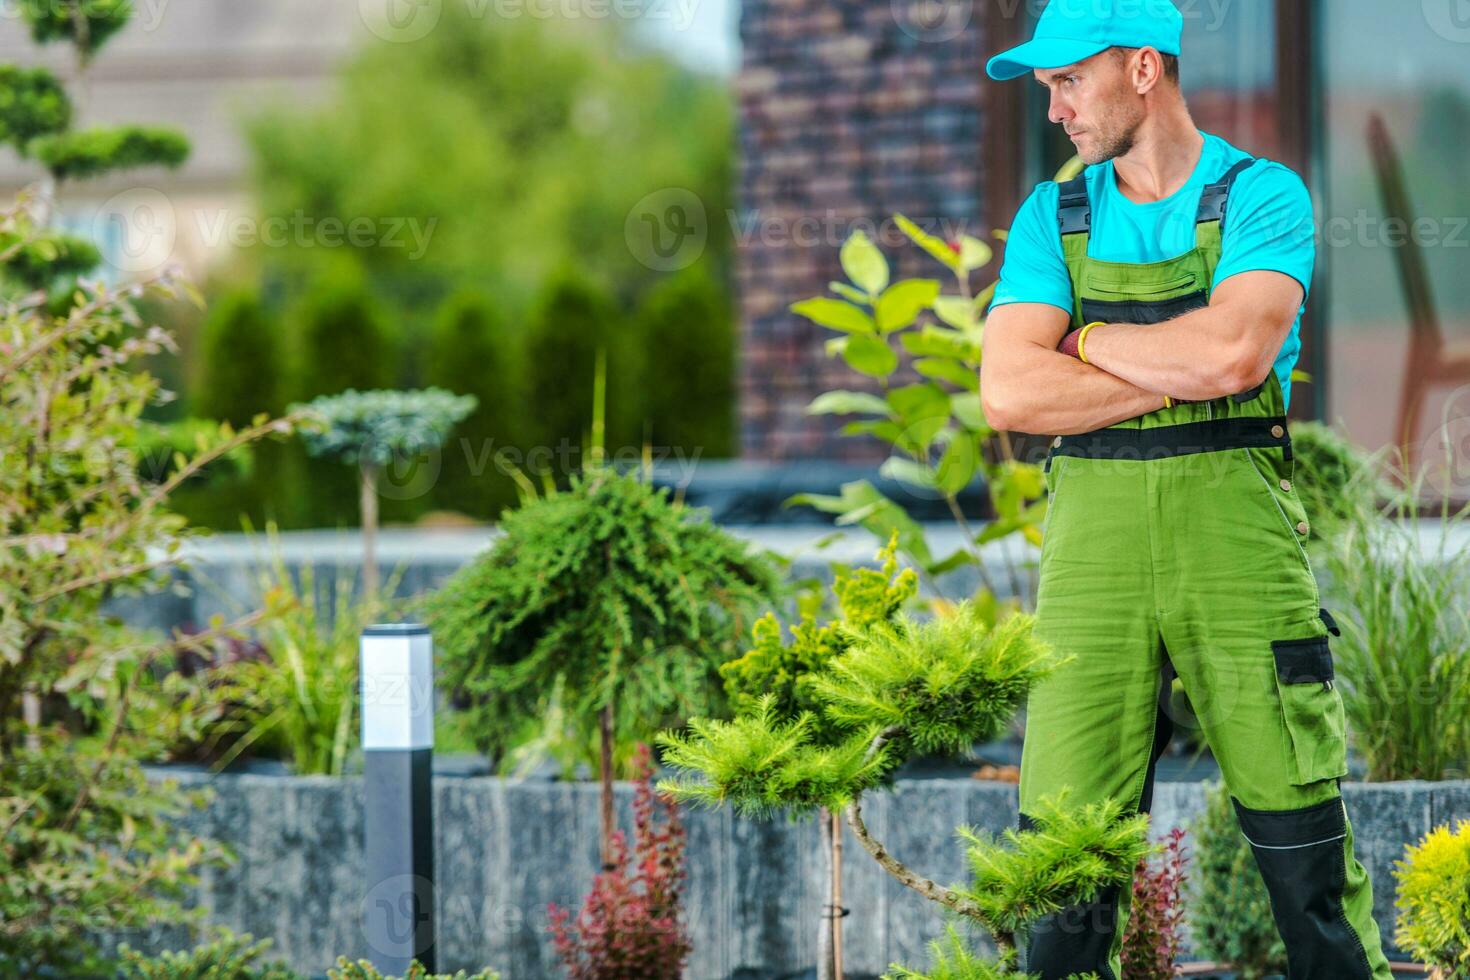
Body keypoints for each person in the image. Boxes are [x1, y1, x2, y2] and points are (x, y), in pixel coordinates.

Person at [978, 1, 1392, 977]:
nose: (1055, 110)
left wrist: (1082, 340)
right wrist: (1180, 365)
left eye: (1069, 80)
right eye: (1045, 88)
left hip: (1238, 544)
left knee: (1305, 858)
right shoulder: (1053, 214)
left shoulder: (1263, 196)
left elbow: (1238, 351)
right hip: (1092, 562)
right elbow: (1010, 390)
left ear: (1143, 70)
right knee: (1065, 859)